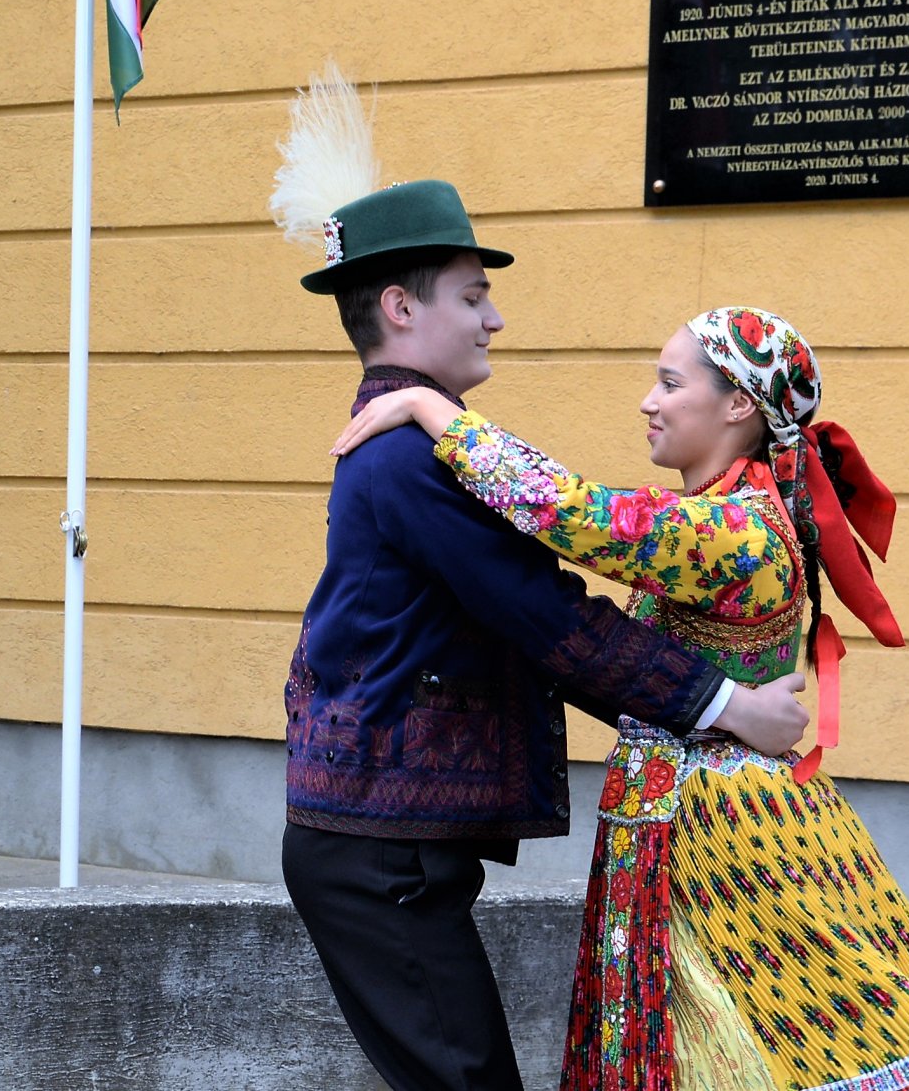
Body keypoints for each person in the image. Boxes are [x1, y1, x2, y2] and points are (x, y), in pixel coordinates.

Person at [269, 64, 811, 1091]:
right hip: (378, 849)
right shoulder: (411, 455)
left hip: (381, 838)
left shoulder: (415, 439)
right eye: (475, 296)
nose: (495, 319)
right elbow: (549, 616)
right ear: (400, 306)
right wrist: (730, 704)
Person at [333, 307, 909, 1091]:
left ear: (738, 404)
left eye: (670, 383)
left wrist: (429, 408)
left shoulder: (738, 530)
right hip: (688, 818)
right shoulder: (729, 514)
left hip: (724, 833)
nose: (649, 400)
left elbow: (572, 511)